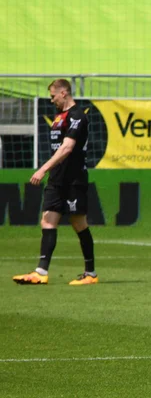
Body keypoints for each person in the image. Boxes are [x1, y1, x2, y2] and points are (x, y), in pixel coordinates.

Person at [13, 79, 97, 286]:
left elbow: (67, 148)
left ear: (64, 93)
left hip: (73, 179)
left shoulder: (77, 116)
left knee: (79, 224)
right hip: (57, 179)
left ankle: (91, 274)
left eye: (53, 96)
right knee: (47, 221)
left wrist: (42, 169)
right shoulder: (59, 117)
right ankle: (41, 272)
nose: (51, 100)